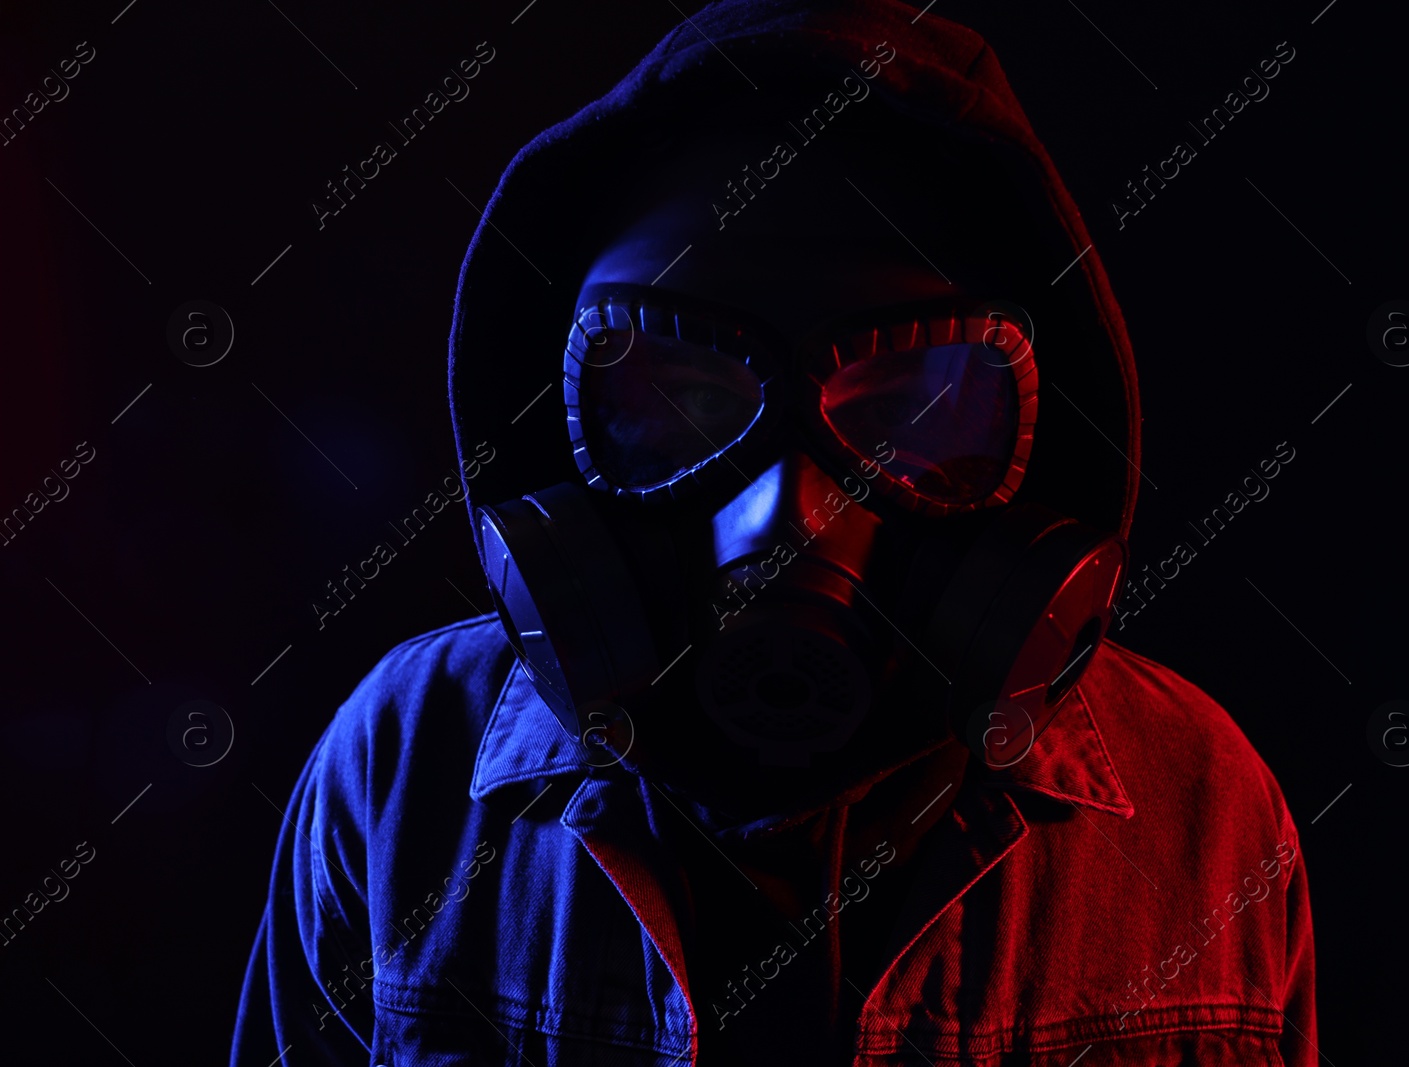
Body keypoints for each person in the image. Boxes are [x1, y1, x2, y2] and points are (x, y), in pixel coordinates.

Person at [231, 2, 1316, 1064]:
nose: (791, 510)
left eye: (905, 410)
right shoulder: (406, 765)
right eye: (687, 399)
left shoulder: (1198, 808)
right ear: (556, 438)